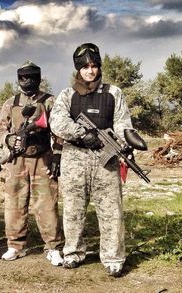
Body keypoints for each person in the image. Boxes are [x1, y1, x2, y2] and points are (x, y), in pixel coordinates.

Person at [49, 43, 145, 277]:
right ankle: (72, 253)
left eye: (94, 66)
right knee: (73, 209)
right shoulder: (67, 94)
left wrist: (126, 143)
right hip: (75, 158)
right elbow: (57, 122)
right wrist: (83, 134)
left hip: (107, 159)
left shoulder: (114, 93)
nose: (90, 71)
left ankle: (113, 258)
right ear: (78, 70)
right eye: (85, 67)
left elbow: (123, 124)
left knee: (111, 210)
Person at [0, 60, 64, 265]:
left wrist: (57, 156)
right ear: (18, 80)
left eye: (32, 78)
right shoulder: (11, 102)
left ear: (39, 79)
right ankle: (15, 245)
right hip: (17, 161)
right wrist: (7, 139)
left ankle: (53, 247)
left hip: (43, 158)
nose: (27, 81)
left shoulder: (50, 101)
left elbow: (59, 132)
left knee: (47, 204)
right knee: (14, 204)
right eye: (23, 78)